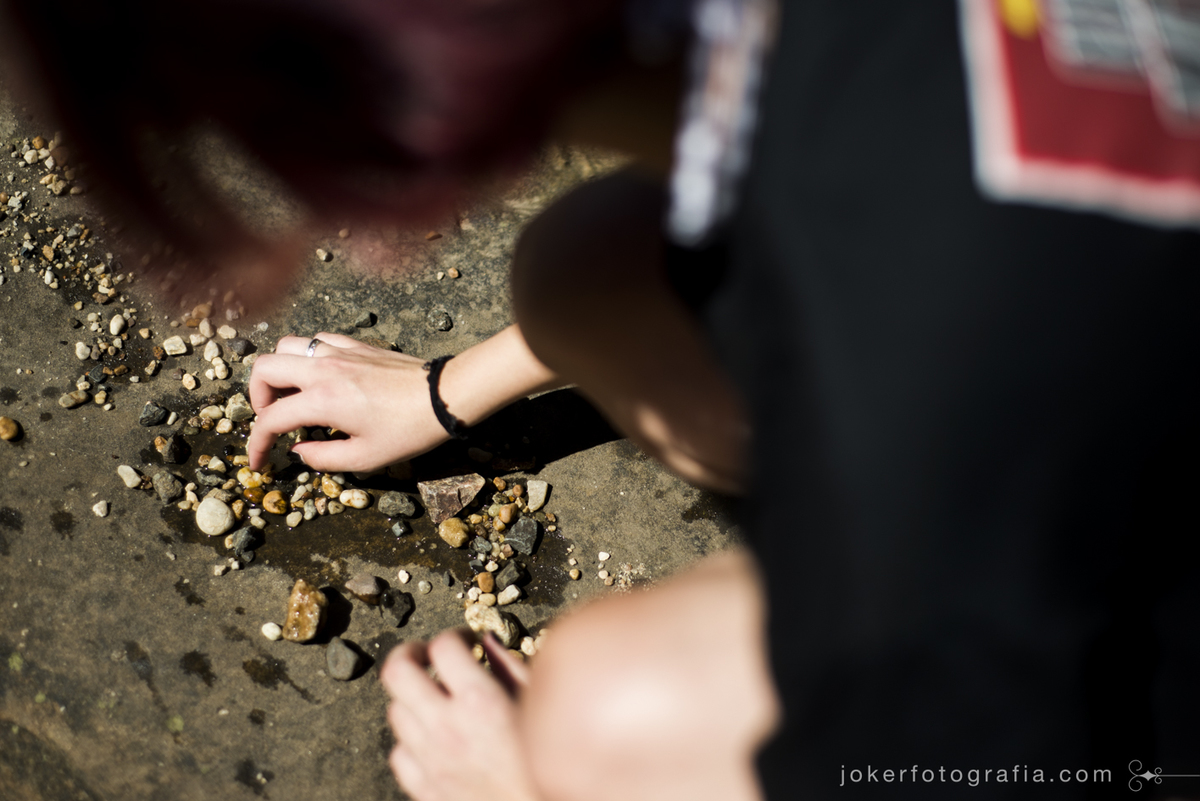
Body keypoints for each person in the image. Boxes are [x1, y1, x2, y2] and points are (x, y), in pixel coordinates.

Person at [4, 1, 1198, 800]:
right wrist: (449, 391)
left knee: (608, 710)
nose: (363, 247)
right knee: (592, 270)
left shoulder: (948, 374)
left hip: (1087, 580)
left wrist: (528, 781)